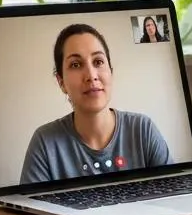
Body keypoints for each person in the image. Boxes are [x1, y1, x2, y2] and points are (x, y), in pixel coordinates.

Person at [20, 23, 173, 185]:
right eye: (76, 64)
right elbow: (29, 210)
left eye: (98, 61)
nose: (91, 76)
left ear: (111, 71)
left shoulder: (143, 130)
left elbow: (173, 197)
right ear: (61, 82)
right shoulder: (45, 142)